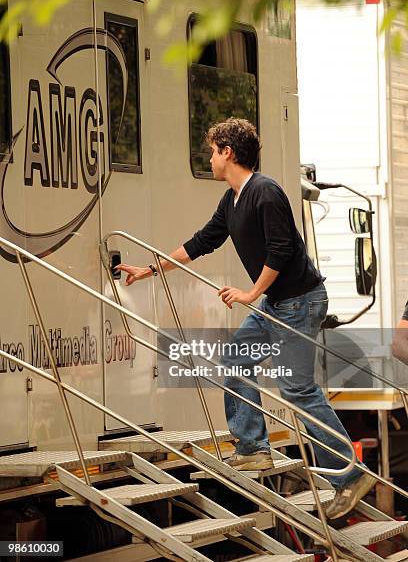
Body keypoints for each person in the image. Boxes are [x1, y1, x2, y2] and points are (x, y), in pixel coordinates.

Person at [116, 117, 375, 519]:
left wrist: (251, 293)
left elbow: (282, 249)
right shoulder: (233, 198)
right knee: (235, 358)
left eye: (213, 150)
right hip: (277, 303)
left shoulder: (265, 192)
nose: (209, 157)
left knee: (297, 390)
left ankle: (350, 475)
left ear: (228, 153)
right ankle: (253, 447)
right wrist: (147, 270)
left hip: (301, 301)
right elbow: (201, 242)